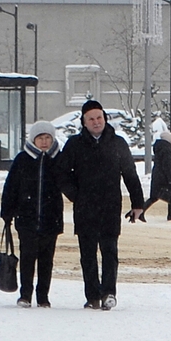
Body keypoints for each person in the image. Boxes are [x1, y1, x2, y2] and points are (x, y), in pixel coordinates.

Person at [58, 99, 144, 308]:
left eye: (99, 118)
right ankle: (92, 296)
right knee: (87, 254)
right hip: (84, 207)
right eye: (91, 119)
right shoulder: (74, 145)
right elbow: (61, 174)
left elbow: (130, 175)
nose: (96, 122)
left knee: (109, 251)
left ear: (104, 119)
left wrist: (138, 203)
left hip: (110, 205)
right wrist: (75, 196)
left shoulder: (117, 143)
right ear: (84, 122)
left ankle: (109, 293)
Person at [0, 120, 66, 306]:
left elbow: (69, 184)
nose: (44, 142)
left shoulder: (58, 160)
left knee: (47, 262)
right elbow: (11, 187)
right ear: (33, 140)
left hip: (51, 220)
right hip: (27, 220)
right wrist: (7, 212)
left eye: (48, 138)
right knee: (27, 259)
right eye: (40, 138)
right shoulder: (22, 160)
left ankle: (43, 296)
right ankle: (25, 295)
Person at [138, 121, 171, 221]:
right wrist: (170, 178)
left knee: (154, 196)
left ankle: (141, 212)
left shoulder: (160, 148)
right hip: (164, 177)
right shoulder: (166, 150)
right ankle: (170, 214)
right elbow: (167, 165)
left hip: (157, 175)